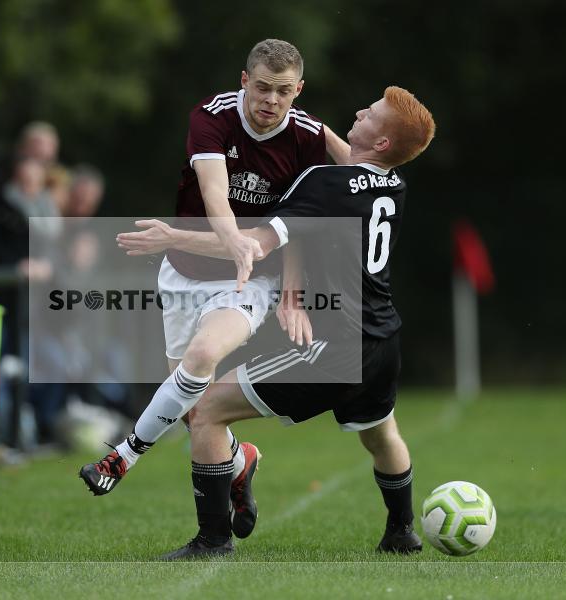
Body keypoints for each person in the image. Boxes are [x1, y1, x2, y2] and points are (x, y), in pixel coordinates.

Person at [119, 86, 436, 559]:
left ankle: (213, 540)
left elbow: (253, 244)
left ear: (382, 141)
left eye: (370, 114)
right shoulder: (395, 185)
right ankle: (402, 531)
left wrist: (174, 238)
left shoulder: (325, 183)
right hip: (384, 338)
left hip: (335, 347)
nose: (359, 111)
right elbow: (344, 185)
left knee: (205, 409)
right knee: (380, 434)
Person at [79, 39, 350, 542]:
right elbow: (215, 196)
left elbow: (347, 186)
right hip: (183, 275)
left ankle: (123, 456)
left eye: (284, 91)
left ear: (299, 91)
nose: (271, 100)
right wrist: (236, 242)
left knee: (202, 357)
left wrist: (286, 287)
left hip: (249, 281)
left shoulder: (307, 136)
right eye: (263, 87)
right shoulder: (212, 116)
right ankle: (240, 461)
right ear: (245, 81)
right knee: (192, 410)